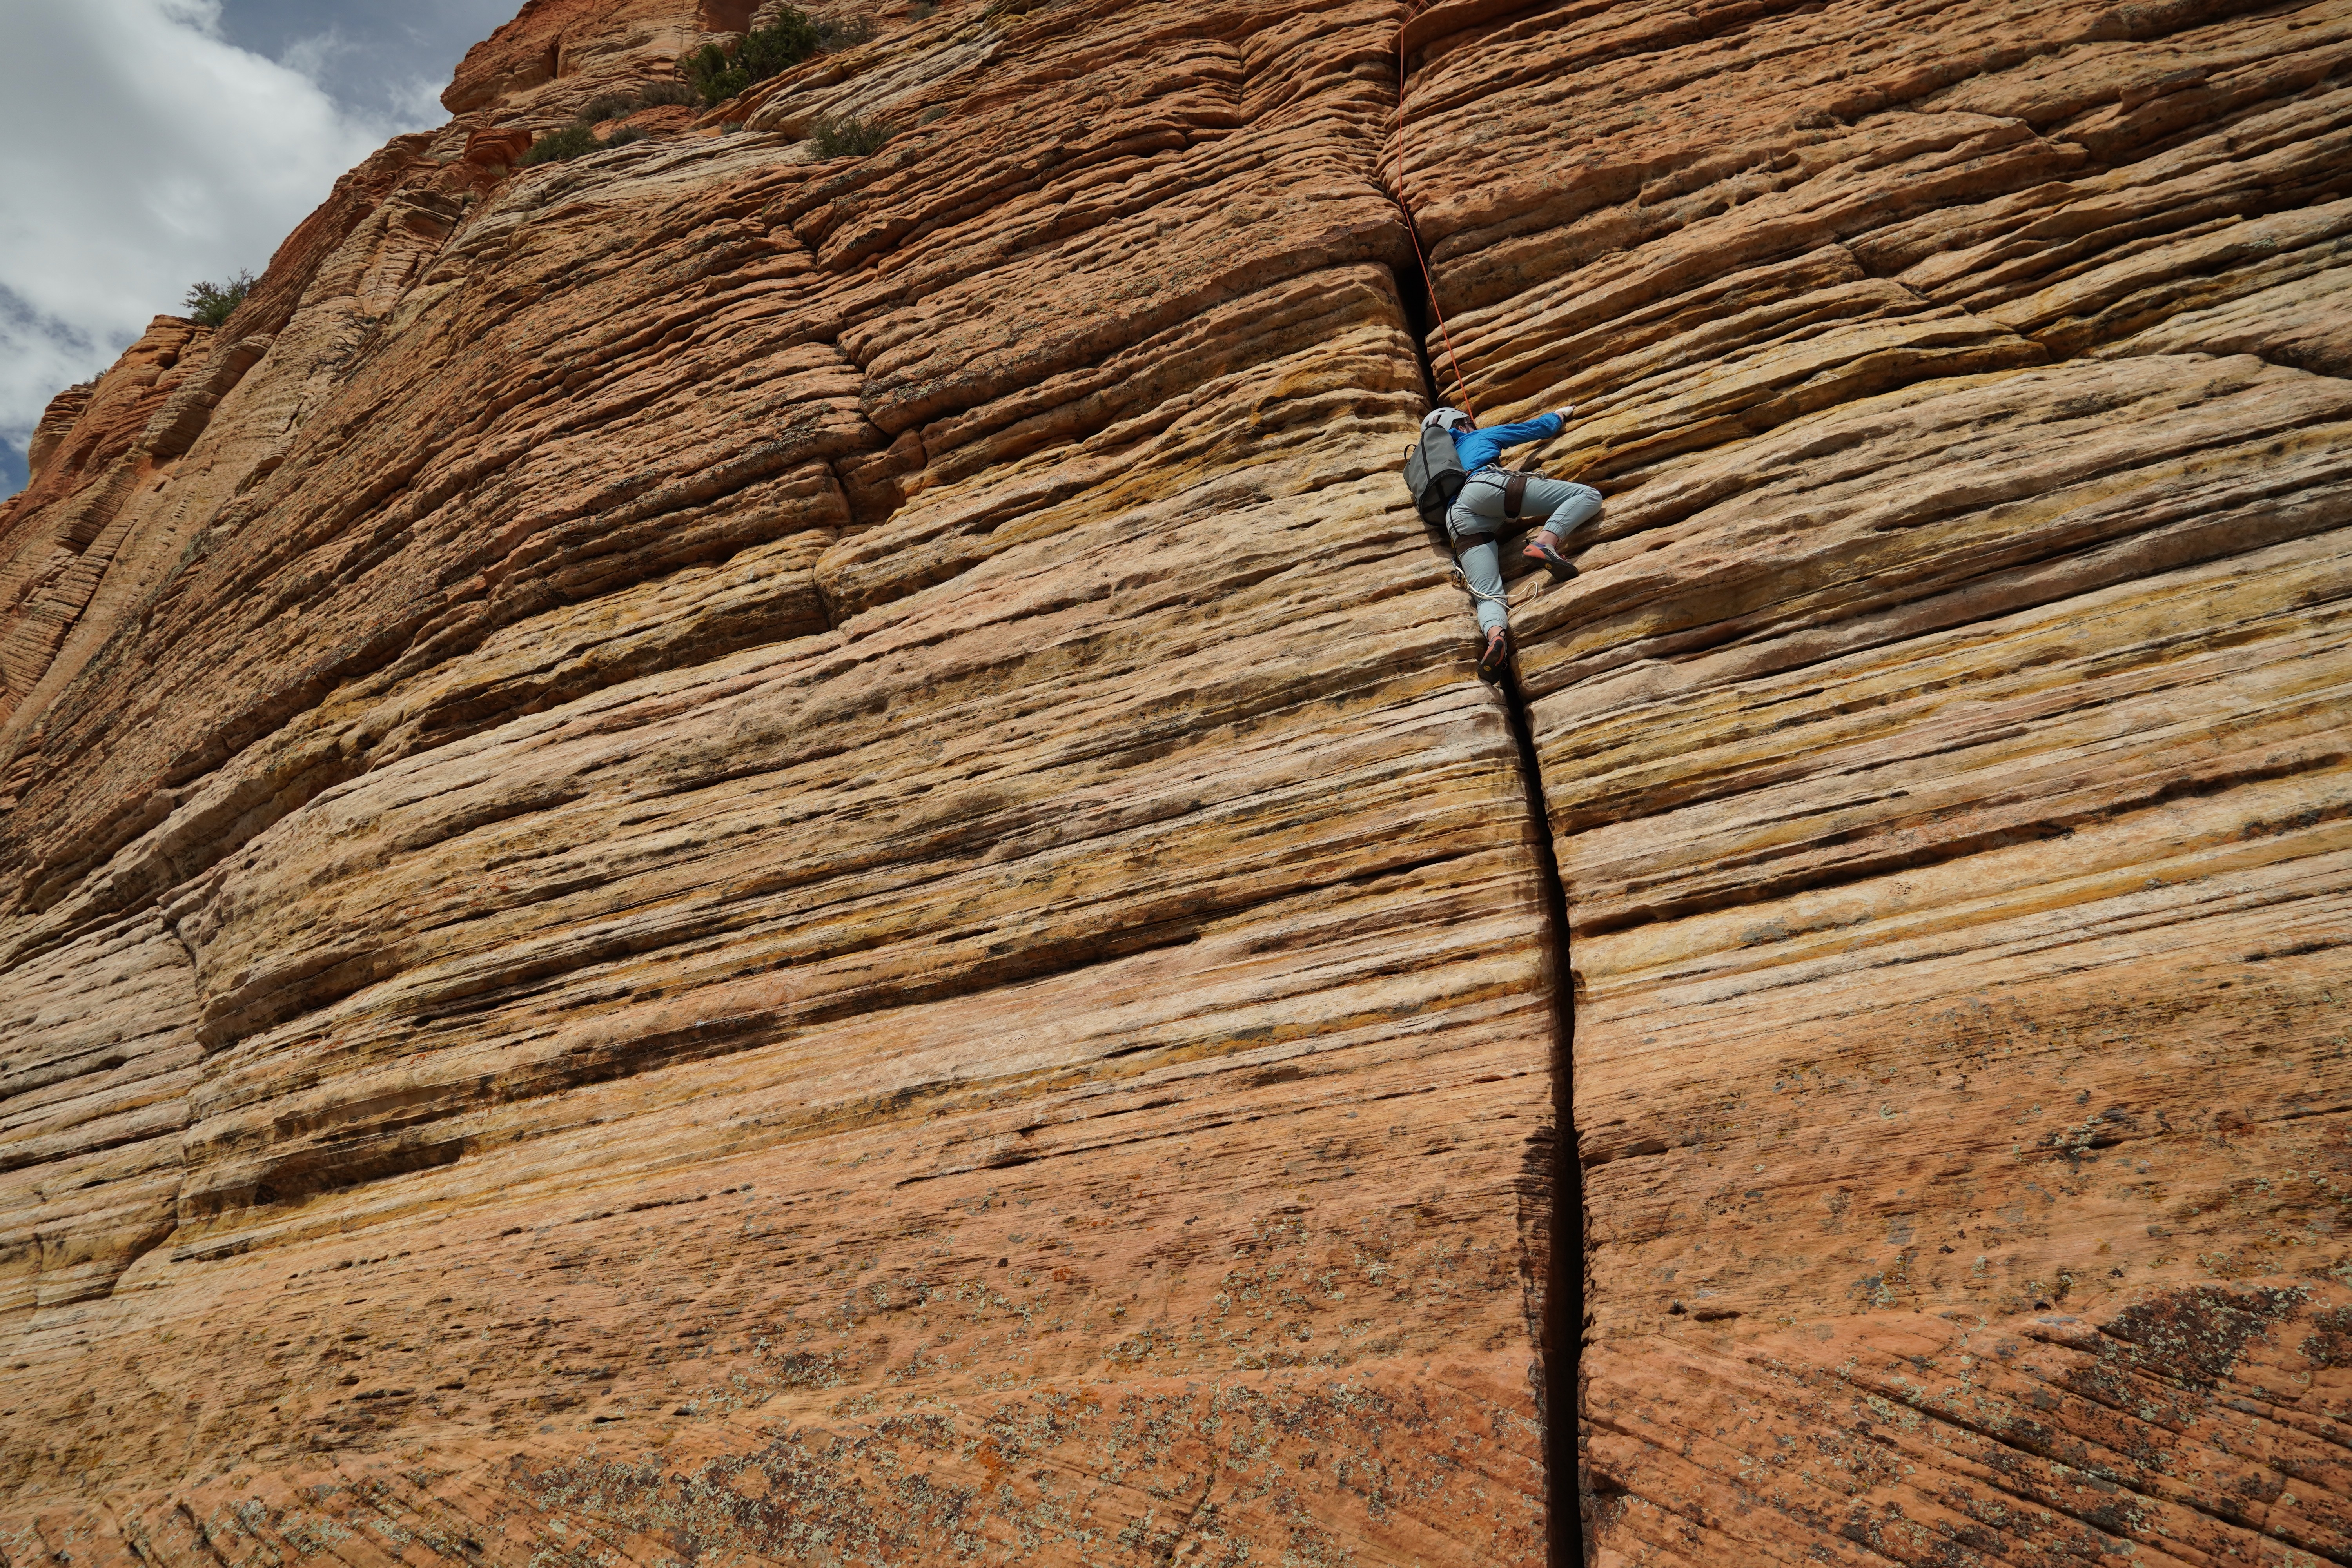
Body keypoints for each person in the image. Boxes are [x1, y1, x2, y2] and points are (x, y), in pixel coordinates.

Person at [1425, 406, 1603, 680]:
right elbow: (1535, 429)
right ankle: (1545, 543)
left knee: (1487, 593)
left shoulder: (1436, 467)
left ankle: (1496, 637)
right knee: (1588, 496)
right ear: (1460, 426)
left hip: (1456, 517)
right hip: (1483, 487)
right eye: (1469, 423)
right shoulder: (1475, 437)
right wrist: (1560, 414)